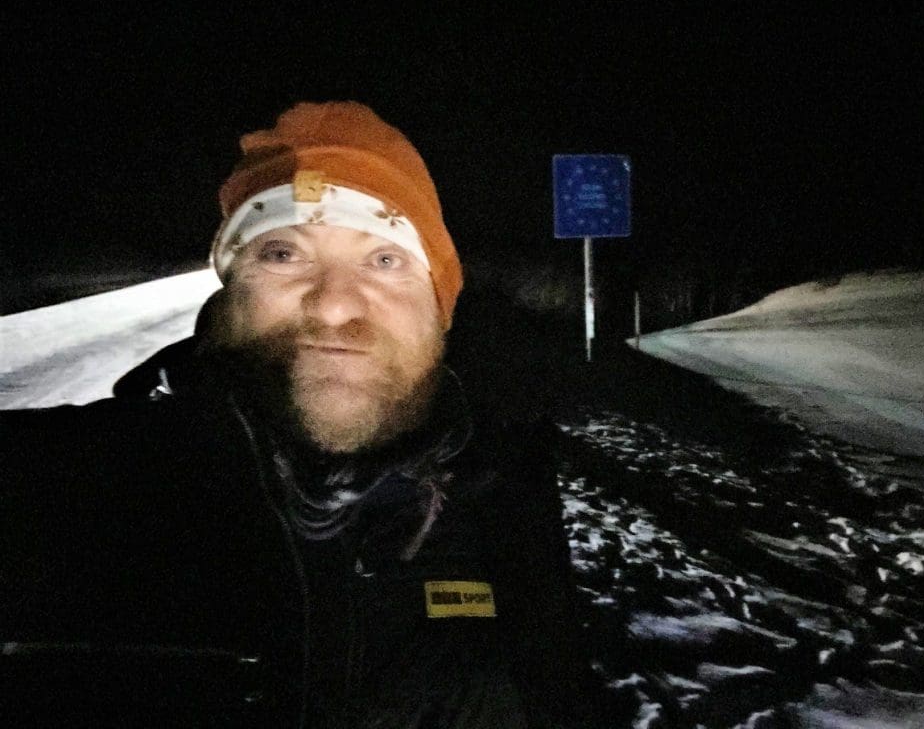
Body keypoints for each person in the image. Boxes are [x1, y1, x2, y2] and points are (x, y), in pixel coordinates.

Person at [1, 102, 596, 727]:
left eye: (386, 259)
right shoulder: (66, 492)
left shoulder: (507, 502)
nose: (335, 306)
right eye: (284, 253)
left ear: (439, 309)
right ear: (230, 296)